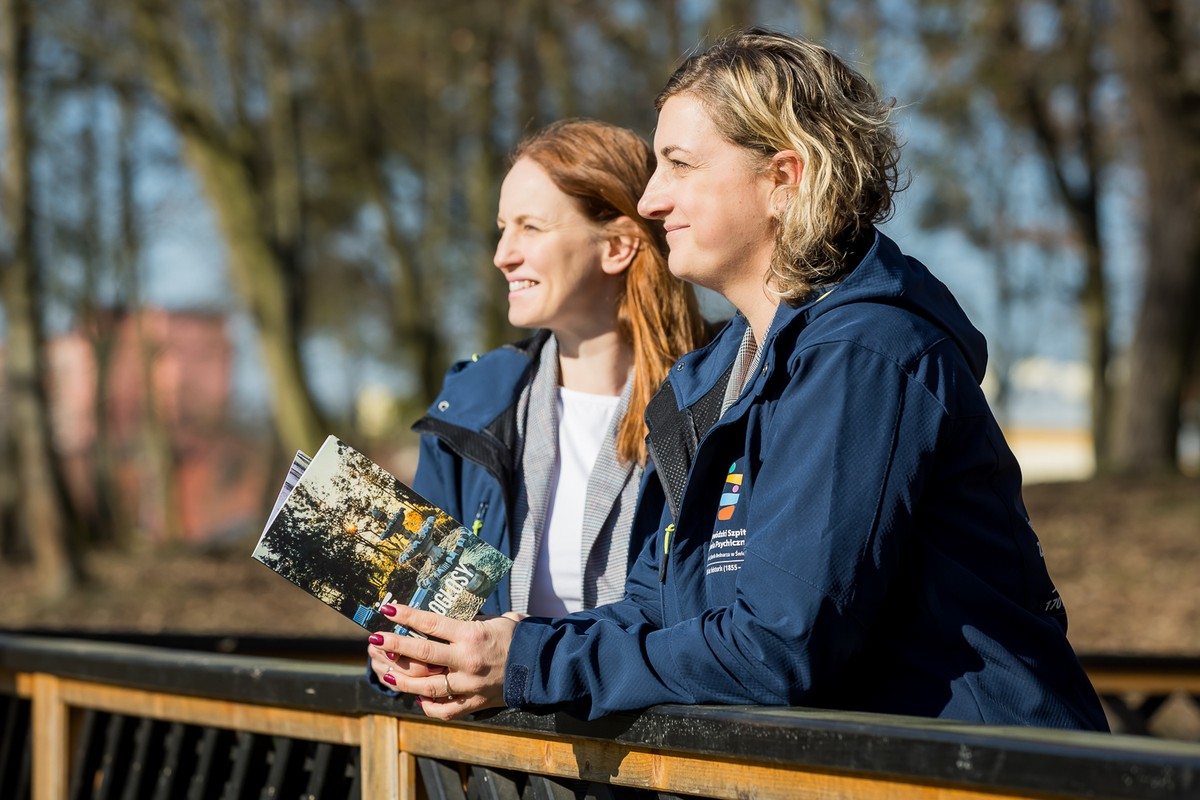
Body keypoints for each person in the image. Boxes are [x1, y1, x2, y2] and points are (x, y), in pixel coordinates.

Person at [366, 29, 1109, 730]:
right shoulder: (717, 377)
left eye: (679, 165)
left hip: (986, 776)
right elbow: (659, 605)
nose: (652, 199)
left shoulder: (865, 354)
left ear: (783, 179)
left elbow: (776, 646)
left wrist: (529, 661)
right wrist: (491, 648)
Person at [367, 119, 709, 694]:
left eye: (531, 227)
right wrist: (401, 656)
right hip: (500, 770)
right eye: (503, 228)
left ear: (619, 245)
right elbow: (409, 613)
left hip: (657, 762)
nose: (503, 254)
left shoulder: (723, 393)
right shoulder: (470, 403)